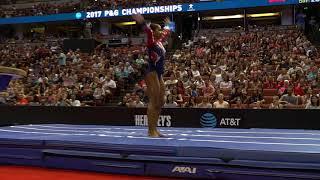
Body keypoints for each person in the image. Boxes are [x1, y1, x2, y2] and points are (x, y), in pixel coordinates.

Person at [133, 14, 171, 137]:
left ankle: (155, 129)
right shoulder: (151, 41)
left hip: (159, 73)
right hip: (152, 73)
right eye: (158, 29)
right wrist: (143, 22)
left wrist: (170, 23)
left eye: (161, 29)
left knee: (161, 101)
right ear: (154, 32)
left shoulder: (159, 42)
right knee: (154, 102)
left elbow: (167, 32)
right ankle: (150, 131)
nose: (161, 31)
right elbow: (148, 31)